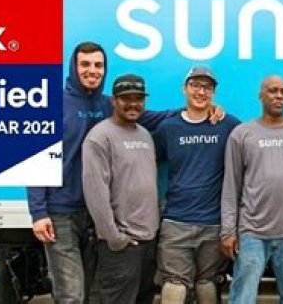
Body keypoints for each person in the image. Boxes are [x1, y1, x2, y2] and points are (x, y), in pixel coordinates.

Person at [27, 42, 178, 303]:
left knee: (93, 290)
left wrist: (196, 111)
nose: (92, 70)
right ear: (73, 67)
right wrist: (38, 212)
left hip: (96, 212)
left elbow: (152, 117)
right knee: (72, 294)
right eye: (85, 64)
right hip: (61, 210)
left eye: (98, 65)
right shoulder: (54, 104)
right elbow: (36, 157)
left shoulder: (109, 104)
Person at [221, 75, 283, 304]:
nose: (279, 96)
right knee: (242, 297)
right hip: (251, 232)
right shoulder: (242, 134)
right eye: (273, 91)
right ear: (260, 96)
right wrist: (228, 231)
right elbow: (231, 185)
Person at [153, 66, 240, 303]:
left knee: (207, 282)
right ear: (185, 89)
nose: (201, 92)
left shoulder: (227, 125)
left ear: (213, 93)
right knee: (174, 282)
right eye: (195, 86)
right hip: (175, 220)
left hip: (214, 223)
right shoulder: (168, 128)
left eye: (207, 87)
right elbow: (149, 162)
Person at [82, 74, 159, 303]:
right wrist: (114, 237)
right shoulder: (99, 137)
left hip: (148, 240)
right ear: (113, 101)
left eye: (138, 99)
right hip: (121, 245)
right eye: (126, 99)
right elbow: (95, 192)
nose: (133, 104)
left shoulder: (145, 134)